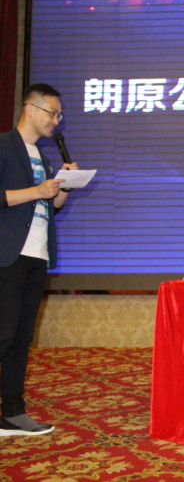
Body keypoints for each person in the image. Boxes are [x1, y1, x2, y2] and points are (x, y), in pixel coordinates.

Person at [0, 83, 79, 436]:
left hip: (36, 254)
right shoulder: (4, 145)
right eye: (52, 113)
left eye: (59, 115)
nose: (56, 121)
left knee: (21, 335)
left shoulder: (42, 158)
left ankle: (12, 412)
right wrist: (37, 190)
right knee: (3, 332)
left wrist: (62, 187)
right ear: (30, 109)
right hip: (7, 254)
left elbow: (51, 206)